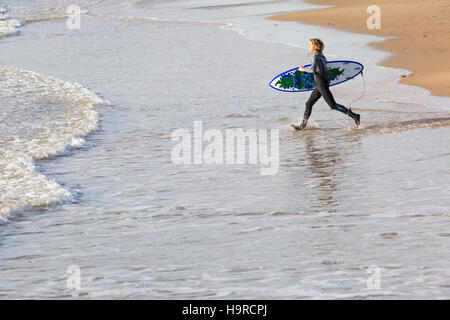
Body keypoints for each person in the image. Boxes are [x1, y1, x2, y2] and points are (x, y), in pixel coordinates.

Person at [292, 38, 360, 130]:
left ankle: (355, 116)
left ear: (315, 46)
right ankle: (302, 125)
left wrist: (303, 69)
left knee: (333, 105)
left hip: (321, 84)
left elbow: (314, 69)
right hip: (321, 83)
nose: (309, 46)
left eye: (310, 45)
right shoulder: (322, 56)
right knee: (309, 103)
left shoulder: (315, 56)